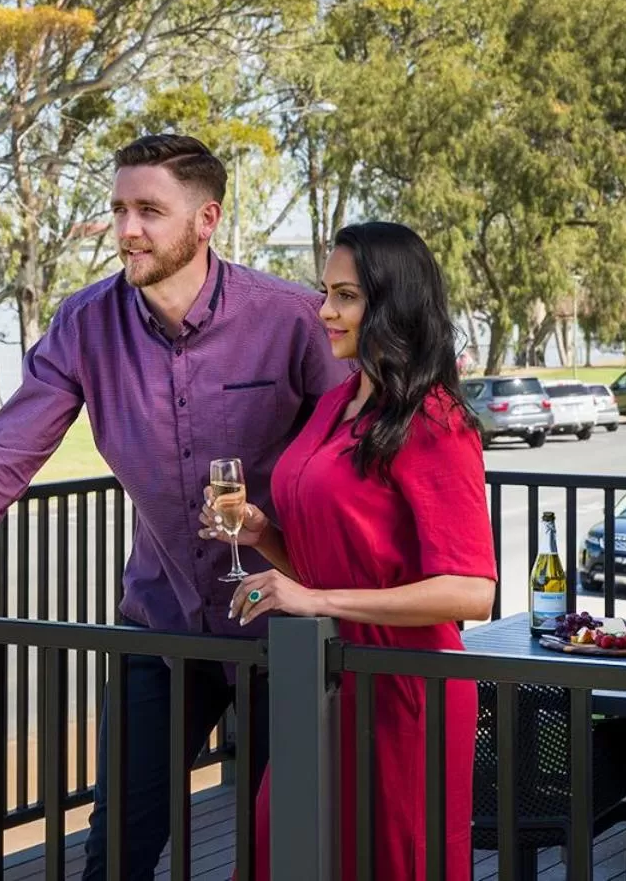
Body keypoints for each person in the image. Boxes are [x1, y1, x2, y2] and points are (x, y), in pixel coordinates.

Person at [0, 133, 349, 880]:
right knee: (114, 852)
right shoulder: (85, 324)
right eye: (119, 209)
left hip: (290, 630)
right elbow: (6, 455)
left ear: (206, 220)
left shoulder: (292, 318)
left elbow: (359, 453)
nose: (127, 229)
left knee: (289, 849)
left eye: (149, 210)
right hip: (160, 622)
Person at [201, 221, 497, 880]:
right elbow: (335, 562)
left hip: (407, 689)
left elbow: (472, 591)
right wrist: (262, 533)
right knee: (286, 848)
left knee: (393, 863)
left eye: (346, 296)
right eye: (325, 292)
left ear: (391, 306)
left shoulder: (436, 419)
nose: (324, 310)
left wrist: (312, 599)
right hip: (327, 678)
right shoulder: (337, 401)